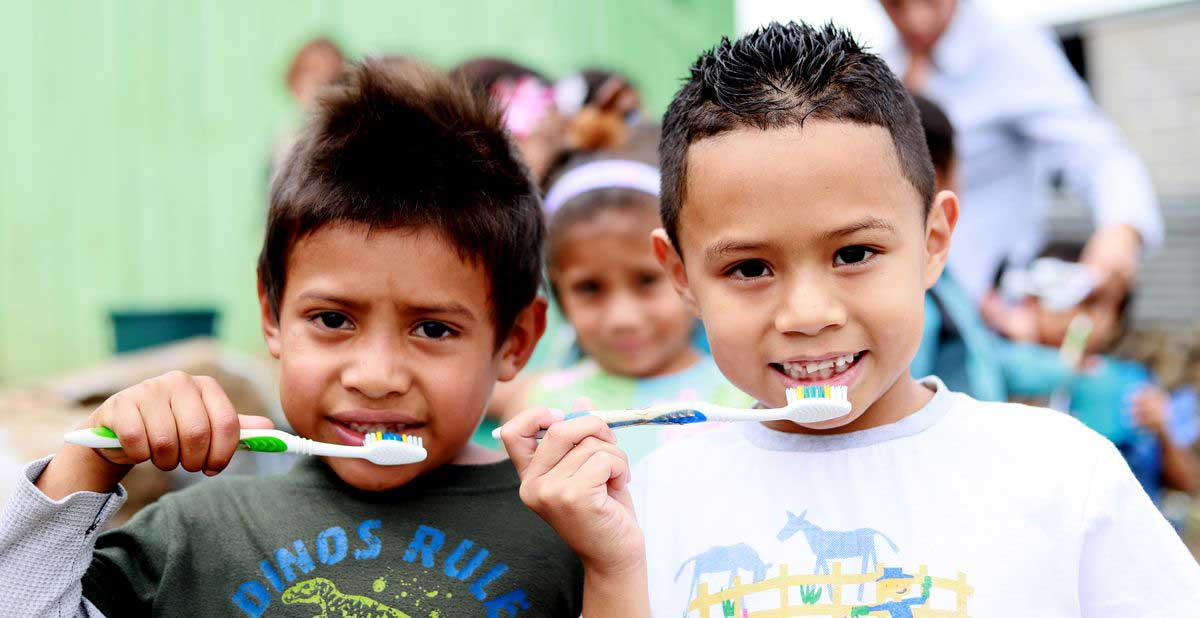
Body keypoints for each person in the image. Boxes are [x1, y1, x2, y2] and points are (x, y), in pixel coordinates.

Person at [499, 23, 1200, 616]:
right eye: (749, 269)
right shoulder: (646, 504)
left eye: (855, 253)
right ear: (681, 275)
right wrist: (611, 564)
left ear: (933, 243)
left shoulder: (1062, 474)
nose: (808, 315)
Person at [0, 62, 583, 616]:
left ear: (516, 339)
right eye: (333, 320)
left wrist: (614, 564)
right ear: (272, 313)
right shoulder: (193, 537)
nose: (375, 376)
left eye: (433, 329)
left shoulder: (567, 529)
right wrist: (92, 460)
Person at [879, 0, 1163, 330]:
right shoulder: (886, 66)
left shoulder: (1011, 52)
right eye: (895, 5)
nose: (915, 19)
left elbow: (1097, 153)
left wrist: (1122, 231)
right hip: (913, 304)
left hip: (995, 315)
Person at [491, 127, 751, 465]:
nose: (622, 318)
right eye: (589, 288)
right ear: (556, 290)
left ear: (685, 272)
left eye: (646, 280)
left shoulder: (748, 400)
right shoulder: (538, 411)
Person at [909, 93, 1006, 401]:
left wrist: (1067, 369)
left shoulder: (944, 274)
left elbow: (986, 359)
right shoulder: (913, 296)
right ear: (937, 179)